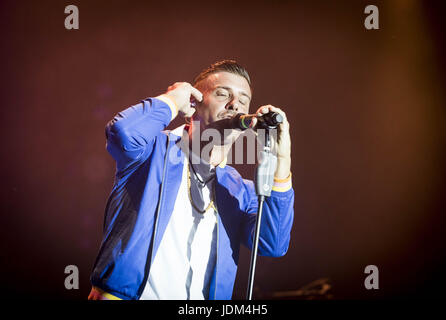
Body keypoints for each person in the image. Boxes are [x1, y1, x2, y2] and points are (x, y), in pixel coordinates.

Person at [88, 60, 294, 300]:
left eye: (243, 100)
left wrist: (282, 158)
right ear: (194, 101)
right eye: (222, 94)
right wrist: (173, 100)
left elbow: (272, 243)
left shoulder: (240, 190)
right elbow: (123, 134)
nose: (234, 104)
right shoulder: (154, 150)